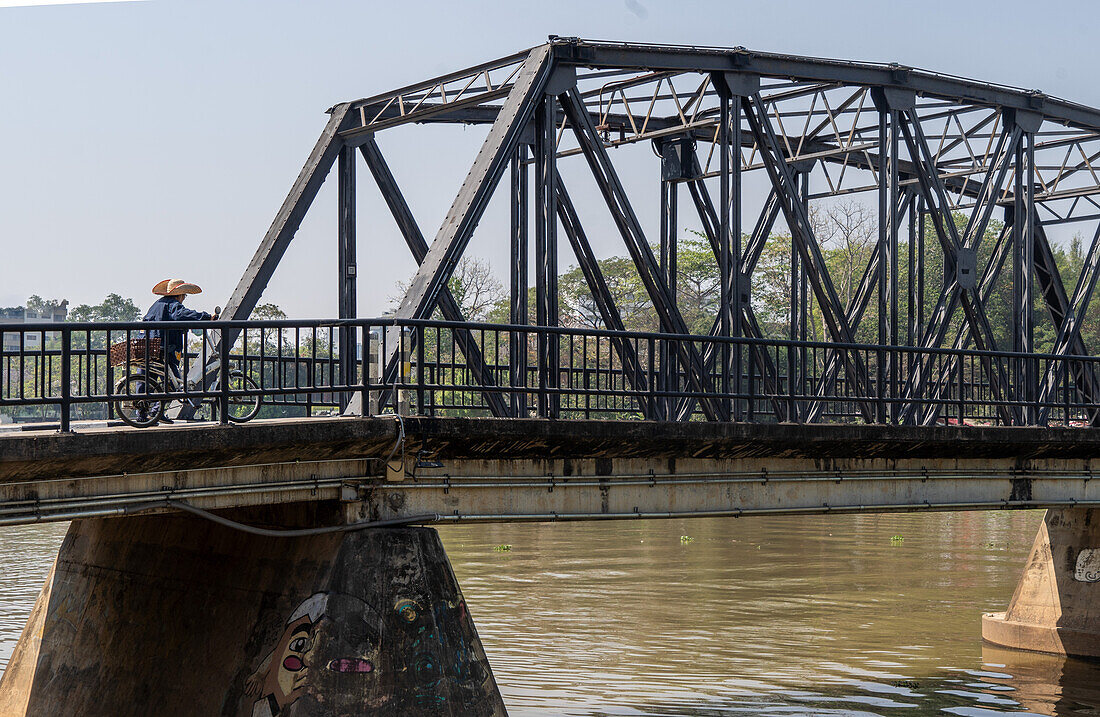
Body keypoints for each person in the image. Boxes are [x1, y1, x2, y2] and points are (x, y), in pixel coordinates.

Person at [142, 278, 218, 379]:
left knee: (145, 381)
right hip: (164, 347)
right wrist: (206, 317)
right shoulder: (173, 304)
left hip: (147, 346)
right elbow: (182, 314)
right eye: (184, 296)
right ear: (180, 295)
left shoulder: (157, 304)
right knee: (174, 385)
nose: (184, 298)